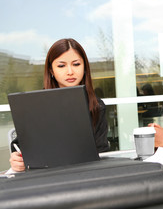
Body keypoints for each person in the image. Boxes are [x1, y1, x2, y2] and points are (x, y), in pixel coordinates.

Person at [10, 38, 110, 171]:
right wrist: (18, 160)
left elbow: (102, 152)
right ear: (51, 70)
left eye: (76, 64)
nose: (70, 71)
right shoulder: (36, 105)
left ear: (84, 67)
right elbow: (21, 148)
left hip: (86, 175)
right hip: (46, 177)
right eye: (61, 65)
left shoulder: (96, 105)